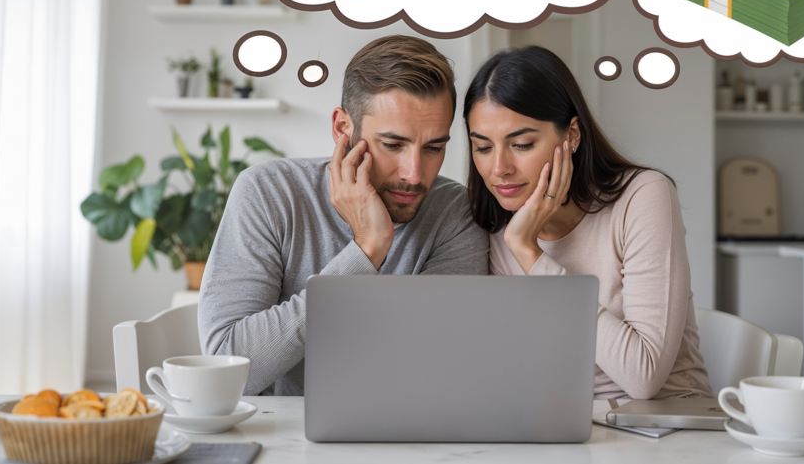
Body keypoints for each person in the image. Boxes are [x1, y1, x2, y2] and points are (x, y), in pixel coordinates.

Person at [199, 35, 489, 396]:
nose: (414, 174)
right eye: (393, 145)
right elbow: (226, 372)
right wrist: (366, 251)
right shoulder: (268, 193)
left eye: (433, 147)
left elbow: (440, 371)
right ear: (342, 129)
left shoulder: (455, 213)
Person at [464, 45, 713, 400]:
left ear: (572, 136)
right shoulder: (491, 225)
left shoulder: (643, 197)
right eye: (483, 148)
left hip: (666, 428)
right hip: (564, 425)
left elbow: (643, 377)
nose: (499, 168)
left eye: (521, 144)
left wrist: (528, 252)